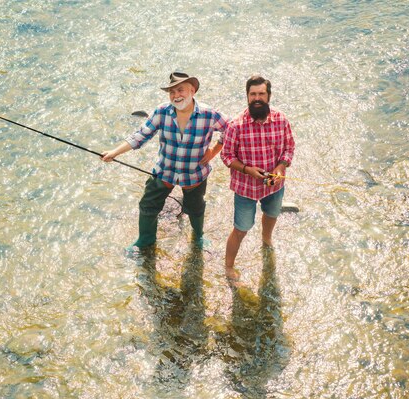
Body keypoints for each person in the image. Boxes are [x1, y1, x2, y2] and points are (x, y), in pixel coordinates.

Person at [101, 72, 228, 249]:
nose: (176, 96)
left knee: (196, 208)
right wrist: (115, 152)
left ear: (192, 90)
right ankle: (145, 240)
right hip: (164, 171)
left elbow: (231, 130)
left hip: (194, 174)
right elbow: (141, 135)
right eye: (172, 92)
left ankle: (198, 237)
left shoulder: (209, 114)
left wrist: (214, 150)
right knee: (148, 205)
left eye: (180, 90)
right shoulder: (162, 111)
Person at [220, 75, 295, 281]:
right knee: (241, 228)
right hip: (245, 188)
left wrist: (281, 166)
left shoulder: (281, 120)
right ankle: (228, 266)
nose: (257, 98)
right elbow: (226, 156)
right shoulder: (236, 125)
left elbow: (289, 148)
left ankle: (266, 238)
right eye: (253, 94)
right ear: (247, 96)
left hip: (274, 185)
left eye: (261, 93)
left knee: (272, 214)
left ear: (268, 95)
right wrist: (246, 169)